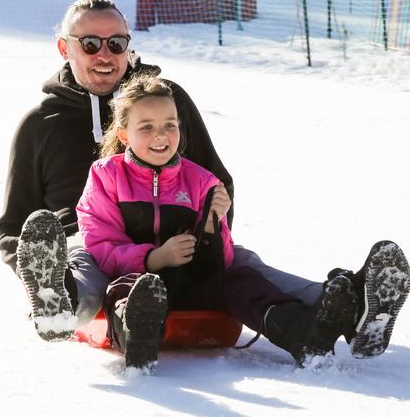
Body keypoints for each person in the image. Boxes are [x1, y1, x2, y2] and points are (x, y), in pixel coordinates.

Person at [0, 0, 410, 360]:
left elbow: (213, 180)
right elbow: (14, 228)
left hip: (181, 231)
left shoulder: (166, 101)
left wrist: (210, 231)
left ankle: (350, 305)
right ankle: (58, 302)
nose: (104, 54)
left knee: (243, 266)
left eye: (116, 43)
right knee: (86, 269)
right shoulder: (40, 124)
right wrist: (35, 273)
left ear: (128, 45)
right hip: (91, 241)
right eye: (90, 44)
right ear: (64, 47)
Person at [76, 73, 377, 370]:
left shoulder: (201, 180)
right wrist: (154, 258)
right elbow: (101, 246)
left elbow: (224, 259)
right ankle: (138, 335)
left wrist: (211, 225)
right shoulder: (106, 175)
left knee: (240, 281)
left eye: (170, 125)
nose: (161, 135)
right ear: (124, 135)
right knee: (127, 288)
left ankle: (306, 334)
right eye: (147, 127)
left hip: (191, 282)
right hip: (138, 282)